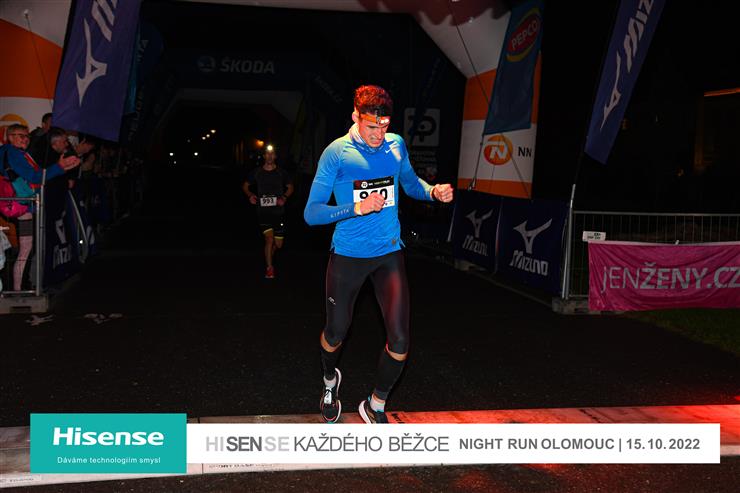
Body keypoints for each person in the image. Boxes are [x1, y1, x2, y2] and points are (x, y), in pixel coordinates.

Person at [303, 85, 453, 424]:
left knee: (400, 341)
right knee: (335, 333)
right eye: (372, 126)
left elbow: (410, 184)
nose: (378, 134)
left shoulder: (395, 145)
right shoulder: (337, 153)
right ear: (355, 117)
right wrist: (356, 208)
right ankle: (329, 380)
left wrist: (433, 191)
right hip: (348, 256)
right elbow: (311, 213)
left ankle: (375, 404)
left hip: (388, 253)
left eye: (384, 126)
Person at [0, 124, 80, 291]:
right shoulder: (14, 153)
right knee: (26, 249)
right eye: (21, 136)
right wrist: (60, 167)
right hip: (22, 206)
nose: (25, 139)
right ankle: (18, 290)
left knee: (26, 249)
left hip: (20, 205)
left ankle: (20, 288)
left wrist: (61, 167)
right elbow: (34, 177)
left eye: (27, 136)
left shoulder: (11, 152)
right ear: (10, 137)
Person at [242, 145, 294, 279]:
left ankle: (269, 254)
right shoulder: (257, 172)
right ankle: (269, 268)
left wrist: (284, 197)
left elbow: (290, 187)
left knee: (278, 244)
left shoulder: (281, 173)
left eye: (272, 154)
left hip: (279, 212)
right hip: (263, 212)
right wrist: (250, 195)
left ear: (275, 156)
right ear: (264, 156)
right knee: (269, 239)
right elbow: (245, 186)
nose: (270, 156)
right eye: (267, 154)